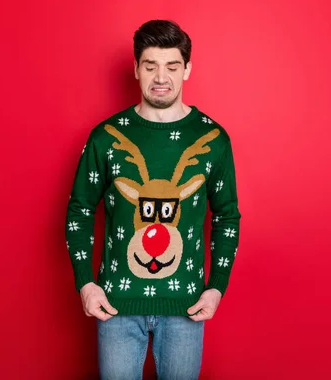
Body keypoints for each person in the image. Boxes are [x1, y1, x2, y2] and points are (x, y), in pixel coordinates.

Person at [64, 19, 241, 380]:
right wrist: (86, 283)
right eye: (151, 65)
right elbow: (79, 210)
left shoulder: (213, 139)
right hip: (116, 305)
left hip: (186, 307)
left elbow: (227, 217)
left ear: (187, 69)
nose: (161, 76)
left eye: (172, 66)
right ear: (136, 69)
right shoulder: (106, 137)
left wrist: (217, 288)